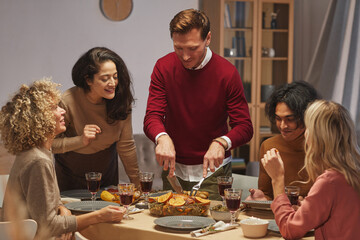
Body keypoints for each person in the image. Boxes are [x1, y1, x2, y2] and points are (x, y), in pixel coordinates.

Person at [143, 9, 253, 200]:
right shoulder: (163, 67)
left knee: (211, 226)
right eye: (179, 48)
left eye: (193, 48)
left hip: (213, 171)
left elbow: (245, 127)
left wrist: (221, 142)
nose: (185, 56)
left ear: (208, 38)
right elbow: (152, 116)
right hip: (173, 169)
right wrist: (162, 137)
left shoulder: (227, 73)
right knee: (169, 225)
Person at [0, 79, 125, 240]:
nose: (62, 111)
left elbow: (44, 204)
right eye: (54, 108)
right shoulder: (38, 161)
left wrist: (61, 208)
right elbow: (48, 226)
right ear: (39, 118)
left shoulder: (37, 152)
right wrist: (99, 216)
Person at [261, 100, 360, 239]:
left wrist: (277, 179)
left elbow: (289, 230)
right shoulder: (353, 171)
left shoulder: (329, 181)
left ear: (317, 136)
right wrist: (308, 207)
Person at [52, 47, 140, 191]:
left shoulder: (121, 101)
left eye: (115, 76)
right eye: (105, 78)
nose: (112, 83)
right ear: (88, 80)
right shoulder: (67, 101)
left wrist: (138, 185)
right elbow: (50, 145)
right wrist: (80, 140)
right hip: (70, 174)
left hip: (106, 172)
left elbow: (126, 146)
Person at [247, 81, 319, 201]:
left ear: (306, 116)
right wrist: (261, 198)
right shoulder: (269, 146)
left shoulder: (321, 148)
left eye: (290, 119)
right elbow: (268, 195)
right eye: (278, 119)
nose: (283, 126)